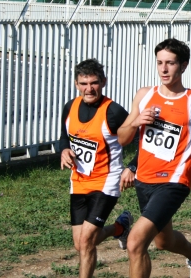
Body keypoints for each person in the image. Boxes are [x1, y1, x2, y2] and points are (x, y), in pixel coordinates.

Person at [117, 38, 191, 278]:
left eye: (170, 63)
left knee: (135, 242)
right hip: (145, 180)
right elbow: (122, 137)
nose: (163, 69)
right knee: (163, 241)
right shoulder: (144, 95)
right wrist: (136, 122)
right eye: (160, 62)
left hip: (174, 181)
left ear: (183, 65)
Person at [59, 59, 133, 278]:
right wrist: (63, 151)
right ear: (76, 83)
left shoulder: (114, 112)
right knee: (79, 244)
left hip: (106, 182)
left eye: (93, 83)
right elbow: (64, 138)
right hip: (79, 181)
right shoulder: (70, 107)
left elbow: (141, 139)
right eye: (83, 83)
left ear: (103, 82)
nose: (88, 88)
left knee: (86, 241)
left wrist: (132, 167)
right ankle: (119, 228)